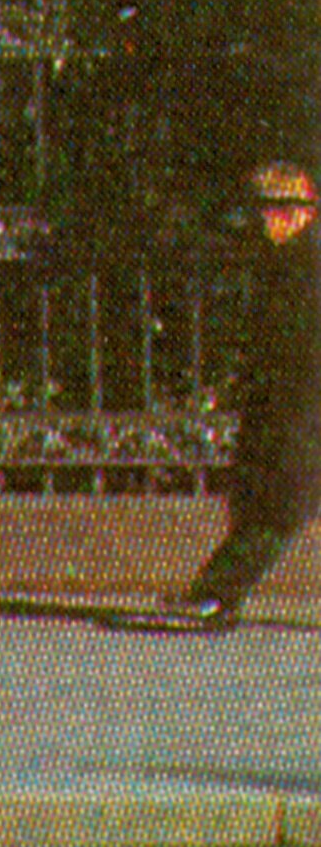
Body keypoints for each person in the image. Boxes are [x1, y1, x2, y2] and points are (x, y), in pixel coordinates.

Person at [169, 156, 315, 631]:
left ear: (297, 210)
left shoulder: (308, 262)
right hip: (285, 400)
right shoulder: (284, 260)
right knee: (264, 498)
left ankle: (217, 594)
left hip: (303, 402)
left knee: (278, 503)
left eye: (268, 210)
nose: (258, 221)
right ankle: (218, 595)